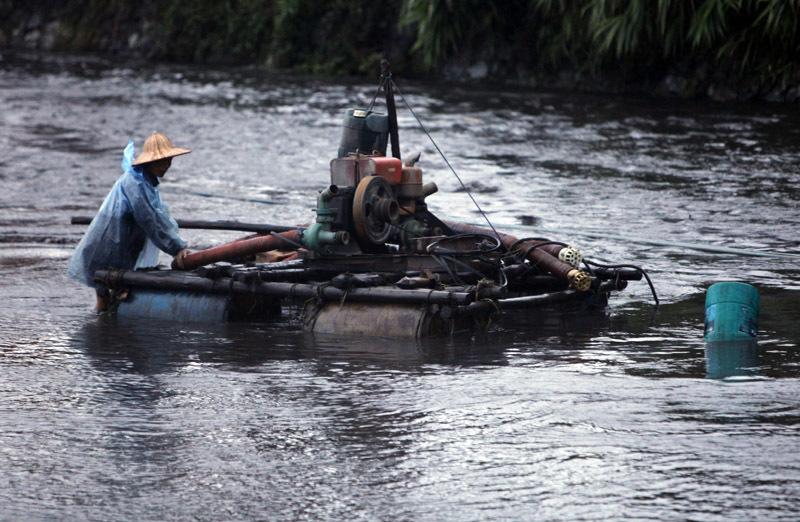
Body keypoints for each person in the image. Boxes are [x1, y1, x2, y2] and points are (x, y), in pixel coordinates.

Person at [67, 132, 192, 311]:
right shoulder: (136, 184)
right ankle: (98, 334)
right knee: (104, 303)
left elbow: (158, 218)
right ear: (149, 161)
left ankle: (103, 332)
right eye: (161, 161)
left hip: (116, 249)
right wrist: (176, 248)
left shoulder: (145, 182)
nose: (166, 166)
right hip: (105, 250)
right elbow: (150, 221)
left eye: (169, 160)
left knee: (109, 303)